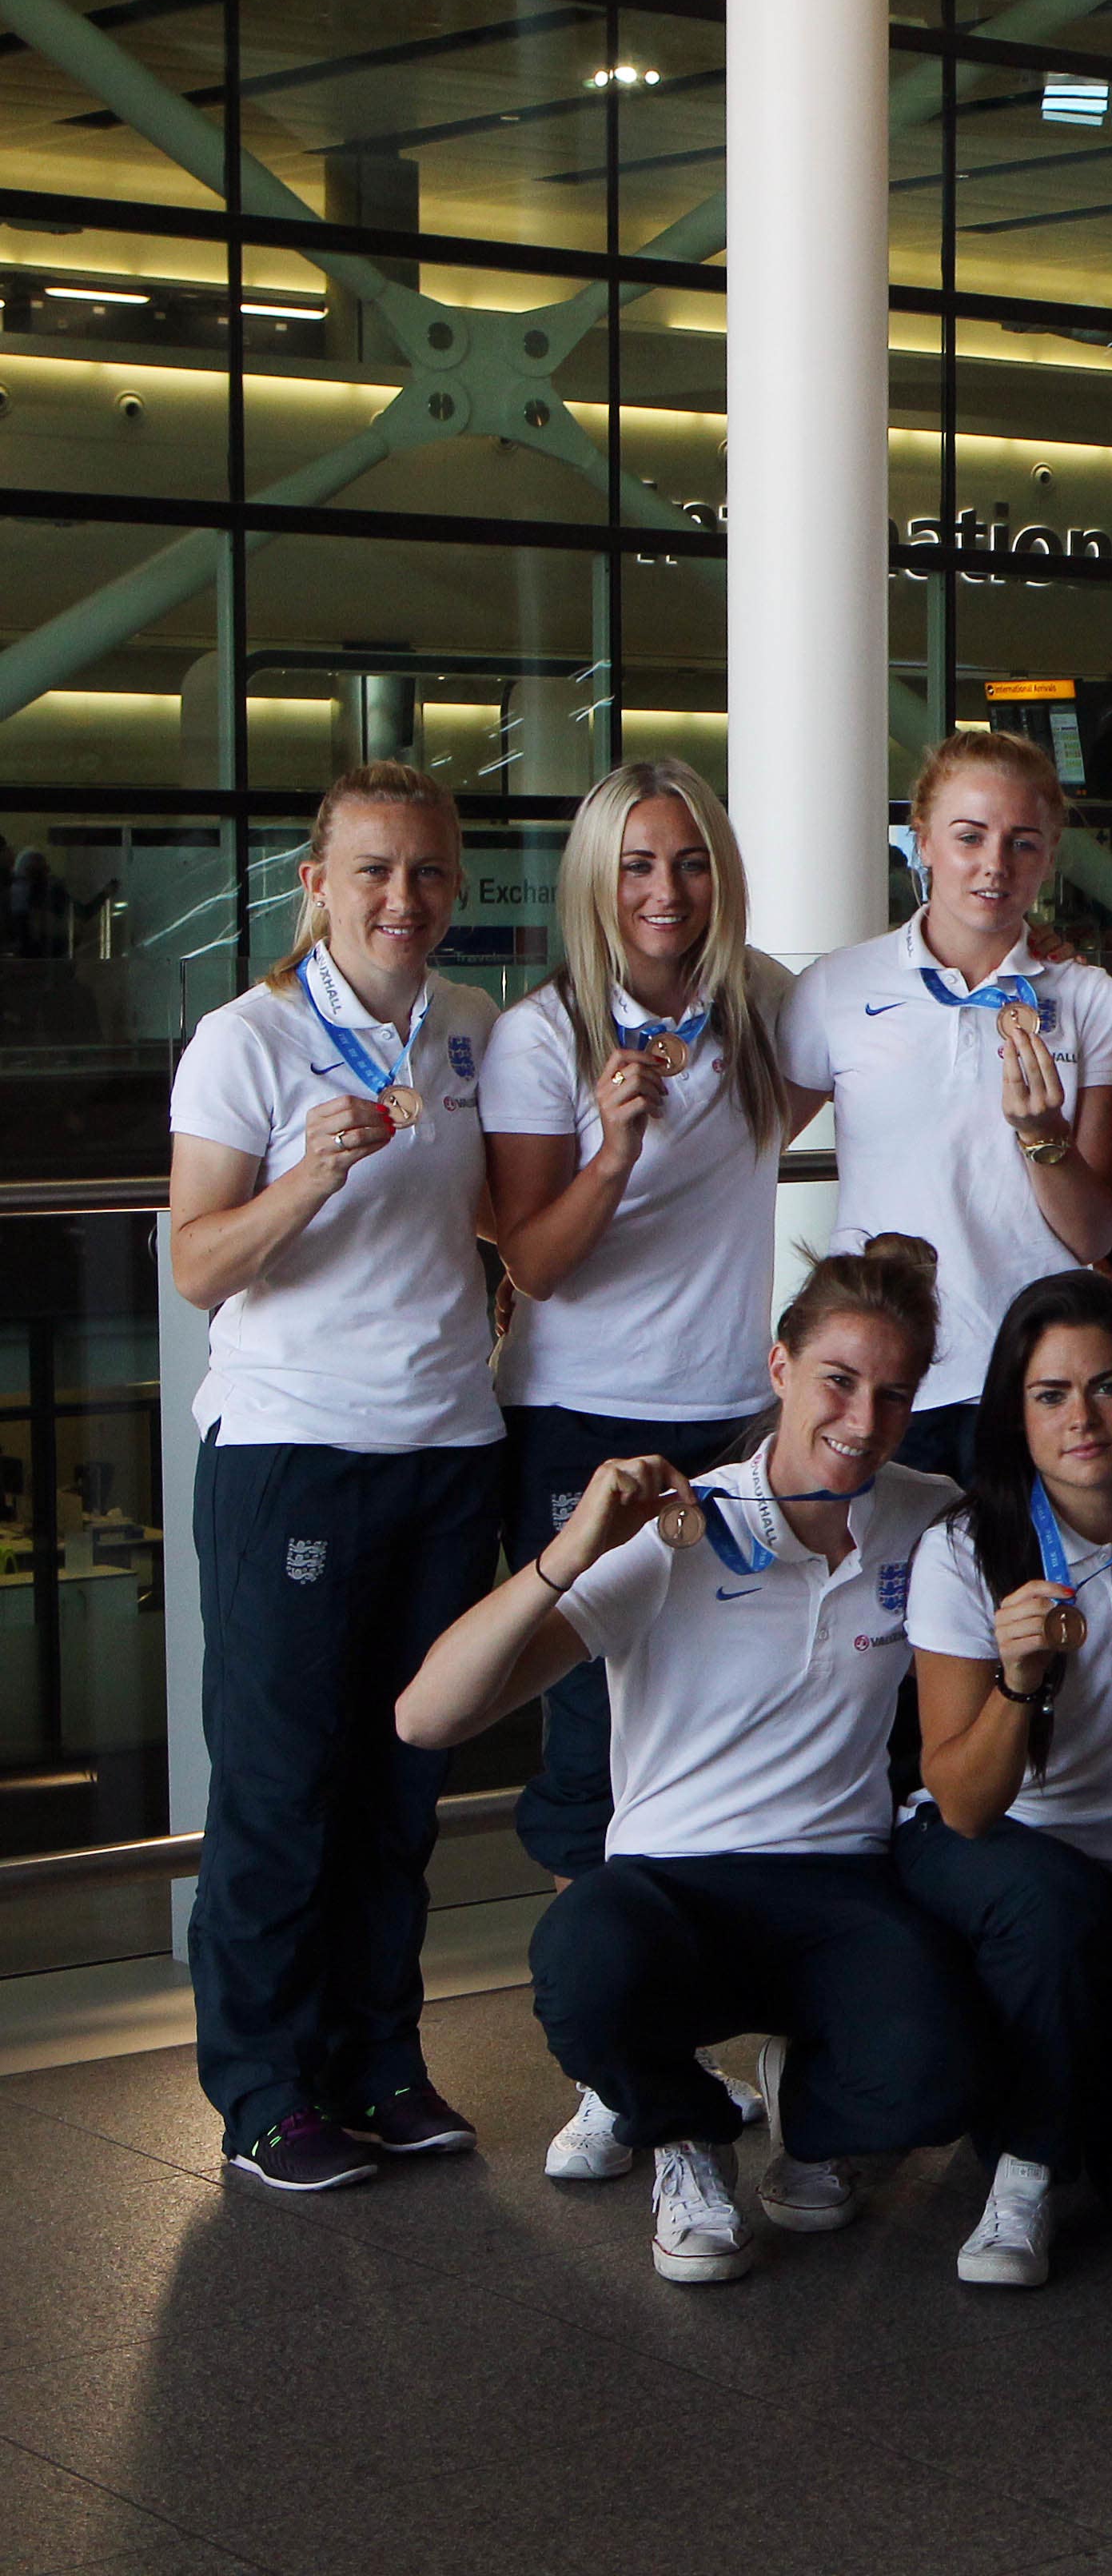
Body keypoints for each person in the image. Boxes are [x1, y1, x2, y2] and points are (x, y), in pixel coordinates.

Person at [394, 1242, 984, 2284]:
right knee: (585, 1964)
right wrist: (568, 1551)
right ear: (779, 1369)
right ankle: (684, 2134)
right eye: (838, 1381)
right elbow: (427, 1717)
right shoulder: (674, 1526)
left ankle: (812, 2108)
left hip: (840, 1876)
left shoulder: (925, 1516)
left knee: (944, 2065)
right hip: (674, 1881)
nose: (860, 1421)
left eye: (893, 1396)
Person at [165, 760, 505, 2190]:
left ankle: (379, 2056)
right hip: (295, 1450)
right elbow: (193, 1261)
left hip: (445, 1449)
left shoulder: (474, 1031)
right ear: (314, 884)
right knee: (281, 1783)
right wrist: (308, 1177)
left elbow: (506, 1211)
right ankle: (260, 2087)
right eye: (372, 870)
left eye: (426, 871)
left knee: (400, 1786)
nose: (401, 898)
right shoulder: (244, 1039)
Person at [483, 760, 791, 1897]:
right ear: (595, 883)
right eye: (640, 866)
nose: (668, 890)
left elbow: (897, 1004)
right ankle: (604, 2063)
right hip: (580, 1425)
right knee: (590, 1738)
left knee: (729, 1719)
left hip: (731, 1423)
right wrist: (613, 1152)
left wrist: (1042, 955)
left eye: (693, 862)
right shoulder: (541, 1037)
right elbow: (535, 1265)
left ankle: (715, 2022)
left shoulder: (762, 1009)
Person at [899, 1274, 1112, 2287]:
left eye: (1108, 1387)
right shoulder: (965, 1549)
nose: (1082, 1418)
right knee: (1053, 1904)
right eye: (1050, 1395)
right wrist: (1017, 1683)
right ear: (1015, 1413)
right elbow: (962, 1801)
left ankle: (1060, 2097)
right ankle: (1026, 2164)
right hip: (1002, 1850)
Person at [780, 732, 1112, 1482]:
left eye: (1022, 843)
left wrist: (1042, 1136)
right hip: (887, 1371)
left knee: (1025, 1595)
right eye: (970, 837)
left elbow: (1095, 1230)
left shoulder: (1089, 999)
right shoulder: (838, 988)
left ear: (1050, 854)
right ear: (923, 841)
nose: (994, 865)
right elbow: (739, 1146)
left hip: (1032, 1372)